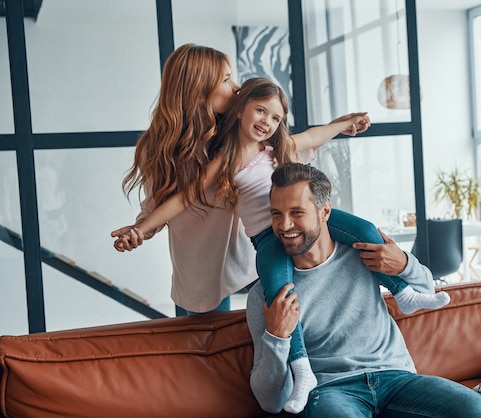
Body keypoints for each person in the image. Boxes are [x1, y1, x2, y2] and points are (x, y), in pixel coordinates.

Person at [115, 78, 450, 414]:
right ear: (240, 110)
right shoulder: (227, 160)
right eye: (260, 111)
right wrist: (141, 229)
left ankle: (403, 293)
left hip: (307, 227)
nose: (266, 122)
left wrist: (343, 125)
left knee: (365, 229)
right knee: (283, 295)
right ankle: (302, 369)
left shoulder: (278, 150)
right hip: (268, 239)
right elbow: (184, 197)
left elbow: (314, 136)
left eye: (275, 118)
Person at [111, 43, 369, 314]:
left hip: (254, 252)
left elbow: (293, 143)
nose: (236, 87)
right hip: (203, 271)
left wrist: (336, 126)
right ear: (198, 91)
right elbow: (163, 204)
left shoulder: (234, 130)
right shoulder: (162, 149)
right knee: (209, 343)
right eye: (225, 79)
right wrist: (139, 231)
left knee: (285, 312)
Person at [246, 162, 481, 417]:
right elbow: (270, 401)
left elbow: (425, 290)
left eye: (296, 212)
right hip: (332, 391)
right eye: (276, 214)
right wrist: (277, 337)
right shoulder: (266, 295)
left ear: (324, 212)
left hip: (397, 379)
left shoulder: (363, 254)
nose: (284, 225)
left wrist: (403, 264)